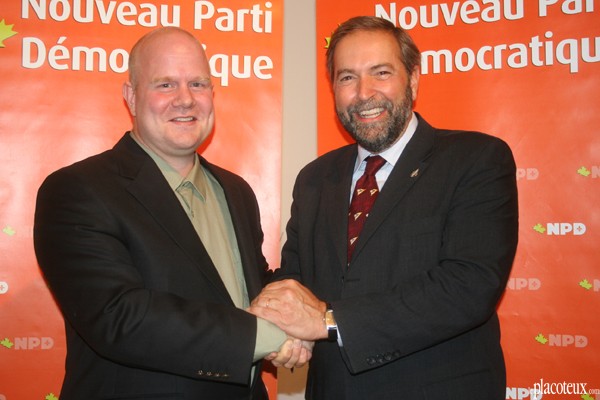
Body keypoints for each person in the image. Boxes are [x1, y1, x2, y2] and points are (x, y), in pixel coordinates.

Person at [248, 16, 519, 399]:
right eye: (347, 77)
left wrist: (328, 321)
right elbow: (298, 279)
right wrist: (279, 325)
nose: (364, 93)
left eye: (381, 72)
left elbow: (469, 285)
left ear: (413, 79)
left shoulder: (475, 159)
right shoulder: (315, 178)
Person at [34, 27, 309, 400]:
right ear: (131, 97)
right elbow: (119, 317)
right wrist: (270, 337)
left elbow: (250, 293)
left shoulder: (236, 191)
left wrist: (309, 318)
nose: (185, 100)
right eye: (165, 85)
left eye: (198, 84)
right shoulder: (77, 190)